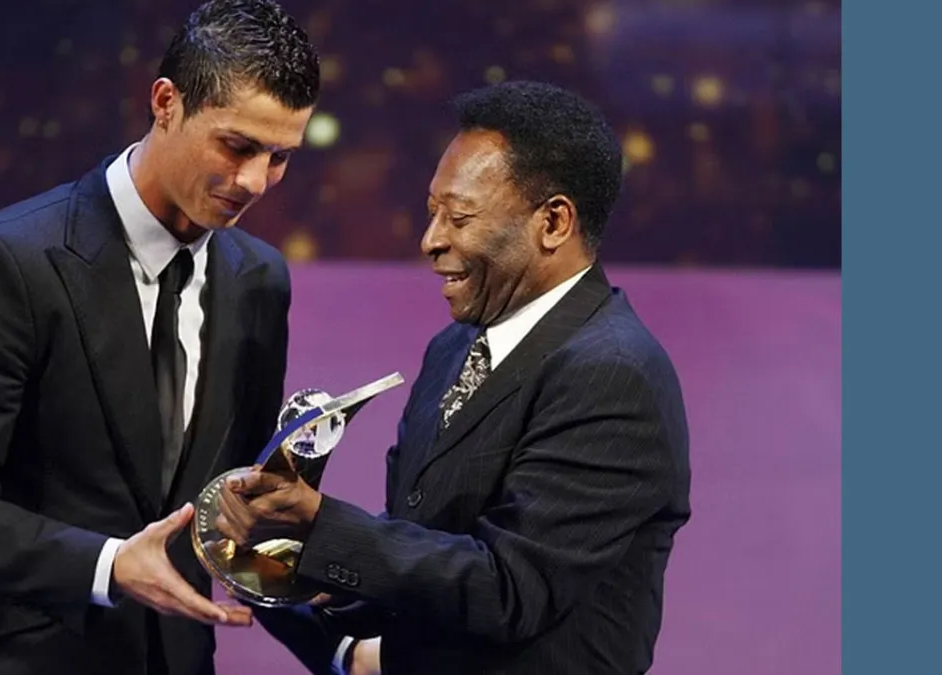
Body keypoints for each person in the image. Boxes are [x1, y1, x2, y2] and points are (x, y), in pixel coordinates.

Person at [0, 2, 320, 674]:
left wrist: (337, 637)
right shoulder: (6, 262)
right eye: (237, 145)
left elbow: (225, 502)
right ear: (166, 102)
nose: (255, 181)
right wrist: (109, 563)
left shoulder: (260, 279)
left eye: (280, 157)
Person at [214, 81, 692, 675]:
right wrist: (291, 568)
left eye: (459, 218)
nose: (431, 241)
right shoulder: (455, 347)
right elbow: (425, 543)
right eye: (432, 212)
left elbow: (510, 590)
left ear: (554, 222)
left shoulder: (614, 375)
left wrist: (322, 527)